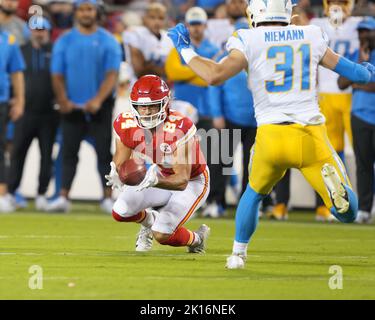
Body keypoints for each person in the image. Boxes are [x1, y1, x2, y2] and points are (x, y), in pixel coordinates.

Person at [167, 0, 375, 269]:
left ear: (255, 12)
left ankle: (238, 254)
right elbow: (354, 73)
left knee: (253, 194)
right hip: (309, 135)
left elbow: (214, 75)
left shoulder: (247, 38)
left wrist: (185, 49)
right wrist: (367, 71)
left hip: (270, 137)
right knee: (349, 213)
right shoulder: (311, 33)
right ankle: (339, 200)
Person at [106, 75, 210, 253]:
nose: (146, 112)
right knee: (120, 210)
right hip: (159, 176)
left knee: (162, 234)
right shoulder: (126, 123)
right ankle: (149, 222)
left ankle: (197, 239)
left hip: (192, 182)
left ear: (165, 103)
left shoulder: (179, 126)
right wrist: (118, 172)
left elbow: (182, 180)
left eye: (151, 106)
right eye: (141, 107)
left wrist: (155, 180)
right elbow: (121, 160)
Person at [49, 0, 122, 213]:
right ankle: (63, 197)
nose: (86, 13)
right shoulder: (65, 40)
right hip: (71, 108)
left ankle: (108, 198)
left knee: (104, 155)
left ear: (96, 12)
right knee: (68, 153)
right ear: (76, 13)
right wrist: (62, 100)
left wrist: (98, 100)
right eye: (82, 9)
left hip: (100, 108)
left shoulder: (108, 40)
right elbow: (57, 74)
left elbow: (112, 75)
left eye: (90, 9)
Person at [7, 17, 58, 211]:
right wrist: (14, 98)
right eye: (36, 29)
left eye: (43, 29)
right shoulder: (21, 50)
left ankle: (41, 194)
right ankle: (11, 192)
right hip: (25, 111)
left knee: (46, 156)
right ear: (30, 31)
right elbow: (11, 74)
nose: (39, 32)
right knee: (18, 152)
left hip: (49, 113)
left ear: (48, 31)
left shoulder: (54, 51)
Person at [338, 17, 375, 224]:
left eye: (368, 31)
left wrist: (358, 83)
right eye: (361, 32)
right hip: (359, 116)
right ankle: (365, 209)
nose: (363, 36)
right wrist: (360, 64)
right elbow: (341, 82)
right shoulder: (355, 55)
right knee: (363, 165)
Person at [0, 16, 25, 212]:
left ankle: (2, 193)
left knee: (0, 148)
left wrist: (20, 99)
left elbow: (16, 72)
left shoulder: (8, 40)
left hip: (1, 101)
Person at [123, 2, 173, 79]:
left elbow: (173, 71)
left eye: (161, 18)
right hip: (137, 86)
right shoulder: (134, 34)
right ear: (145, 18)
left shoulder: (169, 38)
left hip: (162, 88)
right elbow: (139, 70)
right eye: (152, 17)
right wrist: (163, 70)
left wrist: (150, 65)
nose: (157, 22)